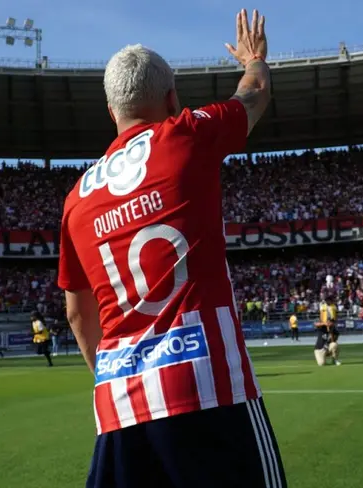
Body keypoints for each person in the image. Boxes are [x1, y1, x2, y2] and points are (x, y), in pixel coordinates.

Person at [58, 9, 286, 488]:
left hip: (119, 406)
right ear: (172, 98)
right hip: (206, 388)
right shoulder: (185, 135)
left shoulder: (76, 199)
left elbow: (79, 317)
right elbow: (254, 94)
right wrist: (255, 59)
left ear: (111, 112)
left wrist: (118, 378)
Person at [314, 299, 341, 366]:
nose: (329, 322)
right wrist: (324, 324)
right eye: (328, 321)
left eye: (331, 322)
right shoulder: (322, 326)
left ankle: (334, 360)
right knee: (321, 364)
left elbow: (333, 341)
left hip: (326, 348)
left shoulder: (334, 330)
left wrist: (331, 332)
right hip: (319, 349)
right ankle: (322, 359)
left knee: (335, 345)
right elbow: (315, 324)